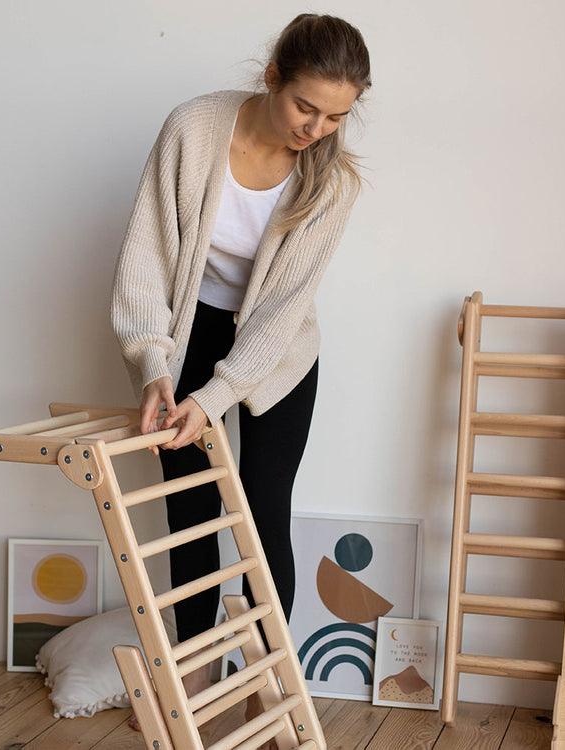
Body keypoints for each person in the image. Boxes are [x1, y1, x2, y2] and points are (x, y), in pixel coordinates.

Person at [111, 12, 371, 736]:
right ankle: (193, 676)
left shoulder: (332, 182)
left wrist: (222, 393)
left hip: (277, 354)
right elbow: (145, 259)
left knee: (261, 514)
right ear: (271, 78)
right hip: (188, 330)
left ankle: (267, 682)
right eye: (305, 106)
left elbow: (283, 310)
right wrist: (155, 369)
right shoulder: (193, 131)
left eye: (336, 116)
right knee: (188, 512)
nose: (316, 127)